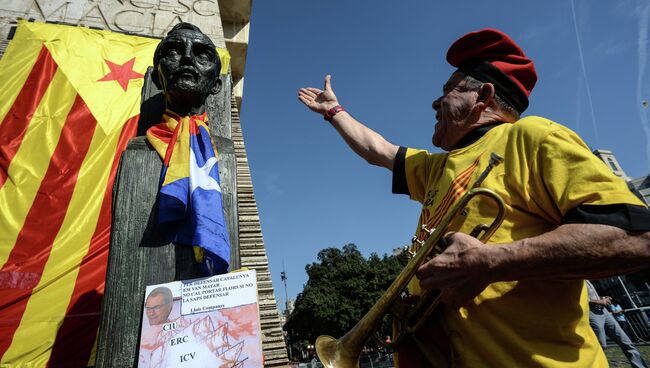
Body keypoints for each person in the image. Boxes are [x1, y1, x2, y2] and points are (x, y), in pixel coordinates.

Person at [298, 28, 650, 367]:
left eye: (448, 90)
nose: (435, 102)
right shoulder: (439, 166)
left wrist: (492, 262)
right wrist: (334, 111)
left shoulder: (530, 136)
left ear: (482, 97)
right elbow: (377, 150)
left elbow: (635, 236)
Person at [586, 281, 648, 368]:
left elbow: (592, 296)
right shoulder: (572, 279)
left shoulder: (587, 280)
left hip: (604, 311)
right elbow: (577, 300)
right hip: (591, 312)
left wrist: (602, 298)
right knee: (601, 345)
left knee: (626, 341)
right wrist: (598, 301)